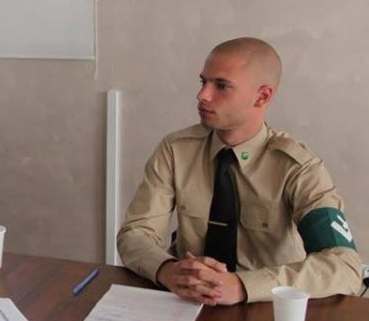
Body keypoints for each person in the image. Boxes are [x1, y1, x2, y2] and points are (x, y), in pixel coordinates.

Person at [117, 37, 362, 305]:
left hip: (265, 306)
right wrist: (167, 270)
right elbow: (135, 233)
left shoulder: (298, 167)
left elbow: (345, 266)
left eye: (221, 85)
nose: (203, 95)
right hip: (187, 302)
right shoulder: (176, 150)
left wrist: (242, 286)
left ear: (262, 96)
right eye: (203, 82)